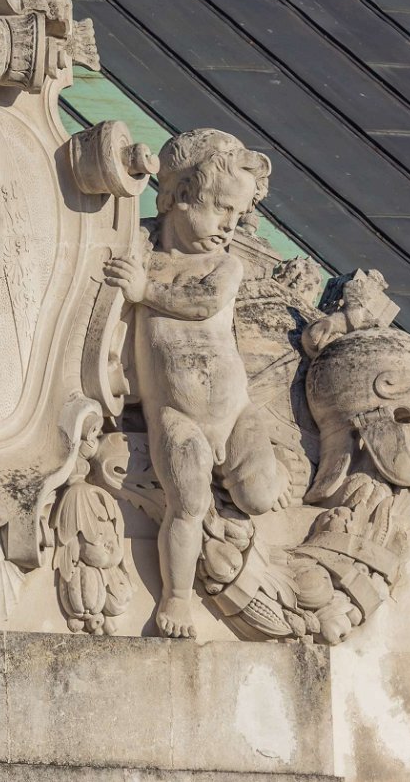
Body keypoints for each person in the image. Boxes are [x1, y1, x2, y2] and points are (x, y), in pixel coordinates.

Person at [102, 128, 278, 639]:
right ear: (178, 197)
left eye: (239, 215)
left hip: (233, 411)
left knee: (260, 497)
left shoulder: (225, 265)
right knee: (188, 505)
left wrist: (143, 290)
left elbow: (200, 303)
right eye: (222, 209)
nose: (230, 225)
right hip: (175, 415)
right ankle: (177, 597)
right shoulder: (141, 252)